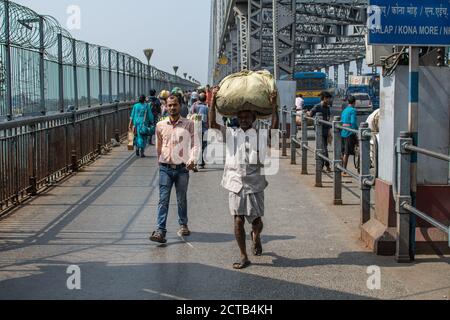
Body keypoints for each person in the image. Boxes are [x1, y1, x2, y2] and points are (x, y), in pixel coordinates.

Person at [210, 86, 279, 270]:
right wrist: (213, 100)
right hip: (235, 183)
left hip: (255, 183)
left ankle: (256, 235)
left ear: (254, 119)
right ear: (236, 119)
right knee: (238, 220)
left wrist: (274, 106)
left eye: (247, 117)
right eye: (240, 118)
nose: (243, 120)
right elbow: (213, 125)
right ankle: (243, 255)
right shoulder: (231, 133)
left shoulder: (260, 135)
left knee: (257, 221)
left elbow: (274, 128)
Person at [149, 94, 198, 244]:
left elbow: (194, 144)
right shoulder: (160, 125)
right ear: (166, 106)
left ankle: (183, 224)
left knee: (181, 198)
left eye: (175, 105)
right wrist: (161, 160)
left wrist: (192, 159)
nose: (172, 108)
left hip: (182, 168)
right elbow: (158, 146)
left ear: (180, 105)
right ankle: (160, 231)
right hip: (165, 167)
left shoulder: (189, 124)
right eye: (169, 105)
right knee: (163, 199)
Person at [308, 91, 333, 172]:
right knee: (323, 149)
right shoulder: (318, 106)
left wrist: (329, 132)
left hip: (326, 131)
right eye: (328, 99)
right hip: (320, 132)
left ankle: (326, 166)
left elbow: (328, 119)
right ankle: (323, 166)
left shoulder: (327, 107)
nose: (329, 100)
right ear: (325, 98)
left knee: (324, 148)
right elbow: (311, 114)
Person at [341, 96, 359, 174]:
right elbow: (353, 122)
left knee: (344, 152)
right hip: (349, 133)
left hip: (343, 132)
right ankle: (344, 170)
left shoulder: (344, 110)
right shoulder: (353, 110)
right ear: (354, 102)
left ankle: (342, 168)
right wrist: (357, 131)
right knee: (347, 153)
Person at [192, 93, 209, 169]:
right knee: (203, 145)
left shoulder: (194, 105)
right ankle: (201, 162)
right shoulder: (205, 108)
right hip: (203, 129)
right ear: (205, 99)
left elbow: (191, 114)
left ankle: (195, 161)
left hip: (195, 128)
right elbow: (205, 119)